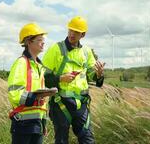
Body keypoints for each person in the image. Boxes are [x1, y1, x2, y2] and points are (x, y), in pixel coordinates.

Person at [42, 16, 105, 144]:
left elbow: (93, 78)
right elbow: (42, 76)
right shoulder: (55, 49)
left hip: (81, 105)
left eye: (76, 32)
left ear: (83, 34)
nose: (72, 34)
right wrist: (60, 78)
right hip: (61, 103)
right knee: (61, 141)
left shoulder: (86, 52)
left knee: (88, 140)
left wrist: (98, 75)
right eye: (70, 30)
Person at [8, 23, 56, 144]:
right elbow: (14, 94)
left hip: (37, 123)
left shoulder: (39, 67)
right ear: (29, 42)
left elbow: (42, 100)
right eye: (39, 40)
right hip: (23, 124)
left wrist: (44, 121)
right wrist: (34, 97)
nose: (43, 43)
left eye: (43, 40)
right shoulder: (21, 63)